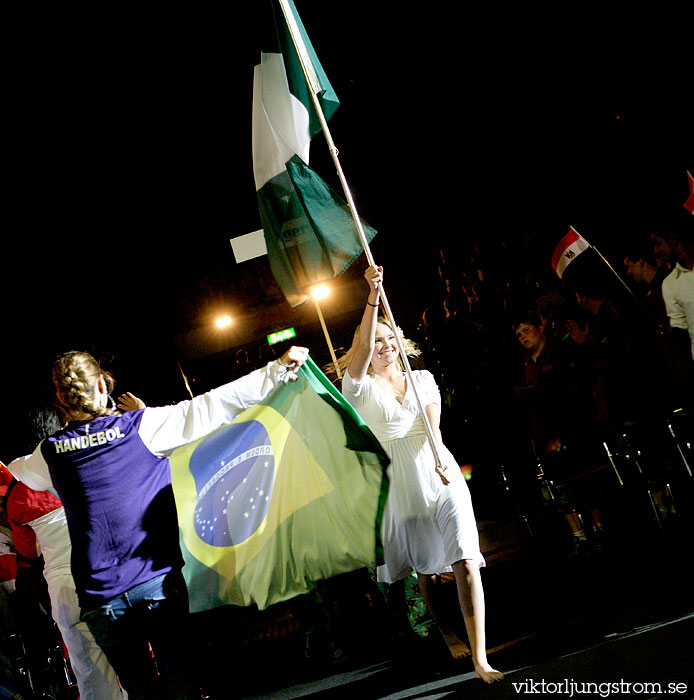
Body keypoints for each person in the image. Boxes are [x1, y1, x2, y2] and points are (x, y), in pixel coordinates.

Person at [9, 346, 309, 700]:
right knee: (181, 676)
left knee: (140, 688)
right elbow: (214, 404)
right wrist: (277, 369)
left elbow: (18, 471)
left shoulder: (49, 453)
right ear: (102, 387)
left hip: (99, 594)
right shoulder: (143, 427)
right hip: (155, 582)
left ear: (61, 400)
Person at [340, 265, 503, 684]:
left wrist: (437, 457)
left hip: (439, 469)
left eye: (391, 339)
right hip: (398, 482)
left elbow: (432, 423)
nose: (385, 346)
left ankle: (480, 657)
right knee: (425, 570)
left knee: (466, 558)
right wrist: (373, 297)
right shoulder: (357, 388)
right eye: (377, 341)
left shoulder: (423, 377)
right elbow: (359, 354)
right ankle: (447, 631)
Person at [1, 461, 125, 700]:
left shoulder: (17, 498)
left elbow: (27, 553)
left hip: (64, 587)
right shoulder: (87, 467)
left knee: (91, 672)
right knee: (131, 665)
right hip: (107, 576)